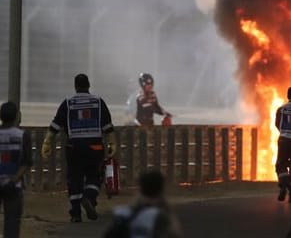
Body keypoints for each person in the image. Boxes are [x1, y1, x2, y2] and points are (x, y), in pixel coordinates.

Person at [41, 73, 117, 222]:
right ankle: (89, 198)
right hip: (95, 147)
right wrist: (113, 143)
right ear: (89, 85)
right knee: (95, 176)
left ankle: (76, 214)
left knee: (74, 178)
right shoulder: (99, 102)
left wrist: (47, 142)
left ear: (75, 87)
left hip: (74, 147)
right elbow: (108, 126)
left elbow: (56, 125)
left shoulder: (68, 103)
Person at [104, 170, 182, 238]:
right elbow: (175, 233)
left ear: (141, 189)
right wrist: (167, 208)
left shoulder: (124, 214)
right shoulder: (161, 216)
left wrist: (133, 205)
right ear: (161, 190)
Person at [0, 102, 32, 238]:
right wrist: (14, 179)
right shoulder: (23, 135)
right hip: (14, 186)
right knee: (12, 223)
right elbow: (27, 162)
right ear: (15, 117)